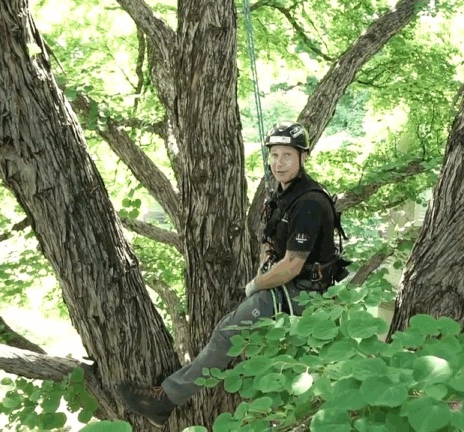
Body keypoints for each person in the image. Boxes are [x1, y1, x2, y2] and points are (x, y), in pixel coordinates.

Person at [117, 122, 350, 428]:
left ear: (303, 158)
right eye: (274, 155)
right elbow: (271, 242)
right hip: (285, 283)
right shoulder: (283, 195)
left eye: (287, 156)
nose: (279, 163)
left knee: (228, 332)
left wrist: (256, 284)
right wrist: (265, 260)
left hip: (303, 291)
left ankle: (162, 401)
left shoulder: (309, 202)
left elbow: (292, 265)